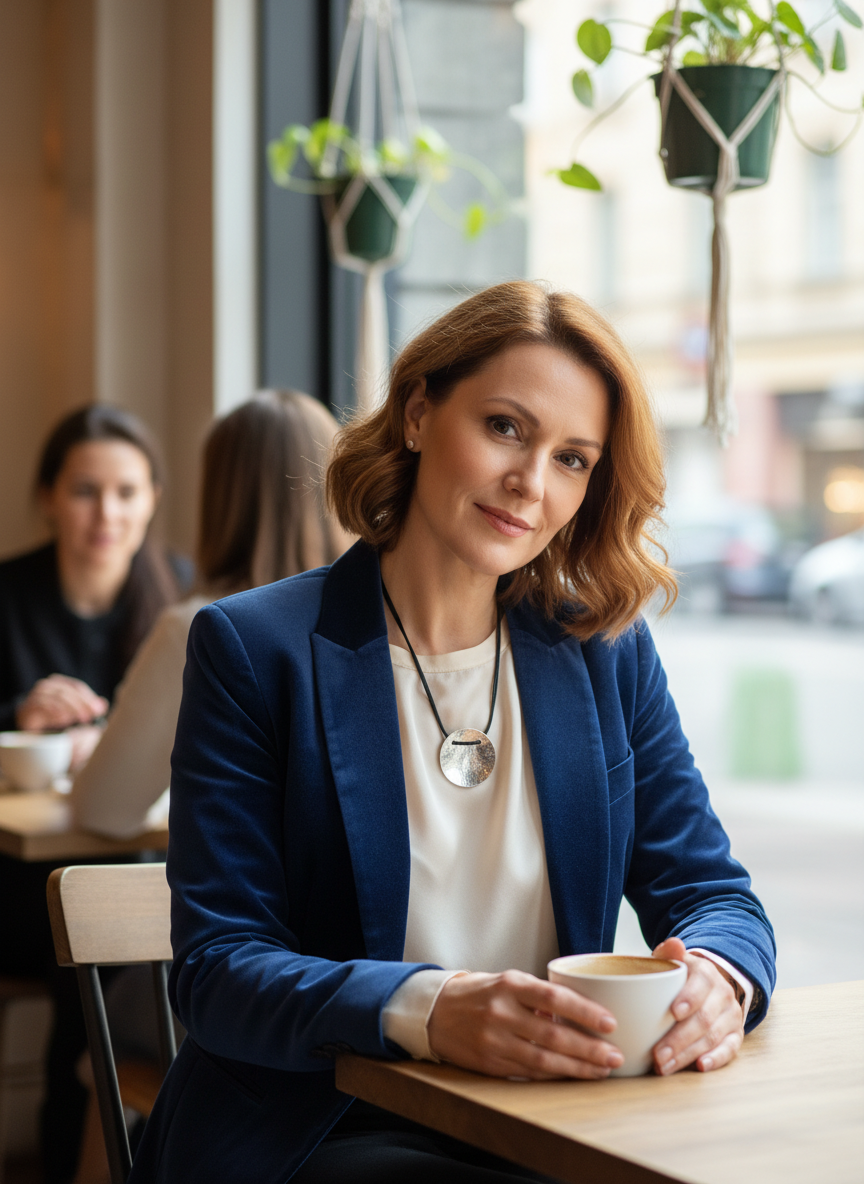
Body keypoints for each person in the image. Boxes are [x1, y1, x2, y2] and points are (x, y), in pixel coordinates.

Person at [129, 282, 776, 1184]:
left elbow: (715, 895)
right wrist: (431, 1009)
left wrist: (716, 977)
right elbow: (219, 970)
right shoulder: (253, 648)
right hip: (320, 1126)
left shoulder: (605, 652)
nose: (531, 483)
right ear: (418, 413)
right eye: (506, 427)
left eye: (572, 459)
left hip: (548, 1120)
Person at [0, 404, 180, 1184]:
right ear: (47, 497)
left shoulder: (181, 599)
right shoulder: (8, 594)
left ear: (153, 499)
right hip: (16, 881)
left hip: (140, 868)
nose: (107, 514)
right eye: (84, 491)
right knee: (87, 938)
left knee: (107, 927)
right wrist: (19, 716)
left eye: (126, 492)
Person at [71, 388, 350, 838]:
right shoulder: (386, 619)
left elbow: (102, 810)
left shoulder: (201, 628)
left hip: (245, 885)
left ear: (220, 496)